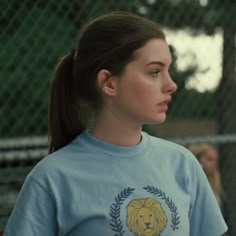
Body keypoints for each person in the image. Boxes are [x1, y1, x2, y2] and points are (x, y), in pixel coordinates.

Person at [4, 12, 227, 236]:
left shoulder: (182, 164)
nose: (171, 85)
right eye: (155, 72)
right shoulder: (51, 178)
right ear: (109, 83)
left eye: (168, 70)